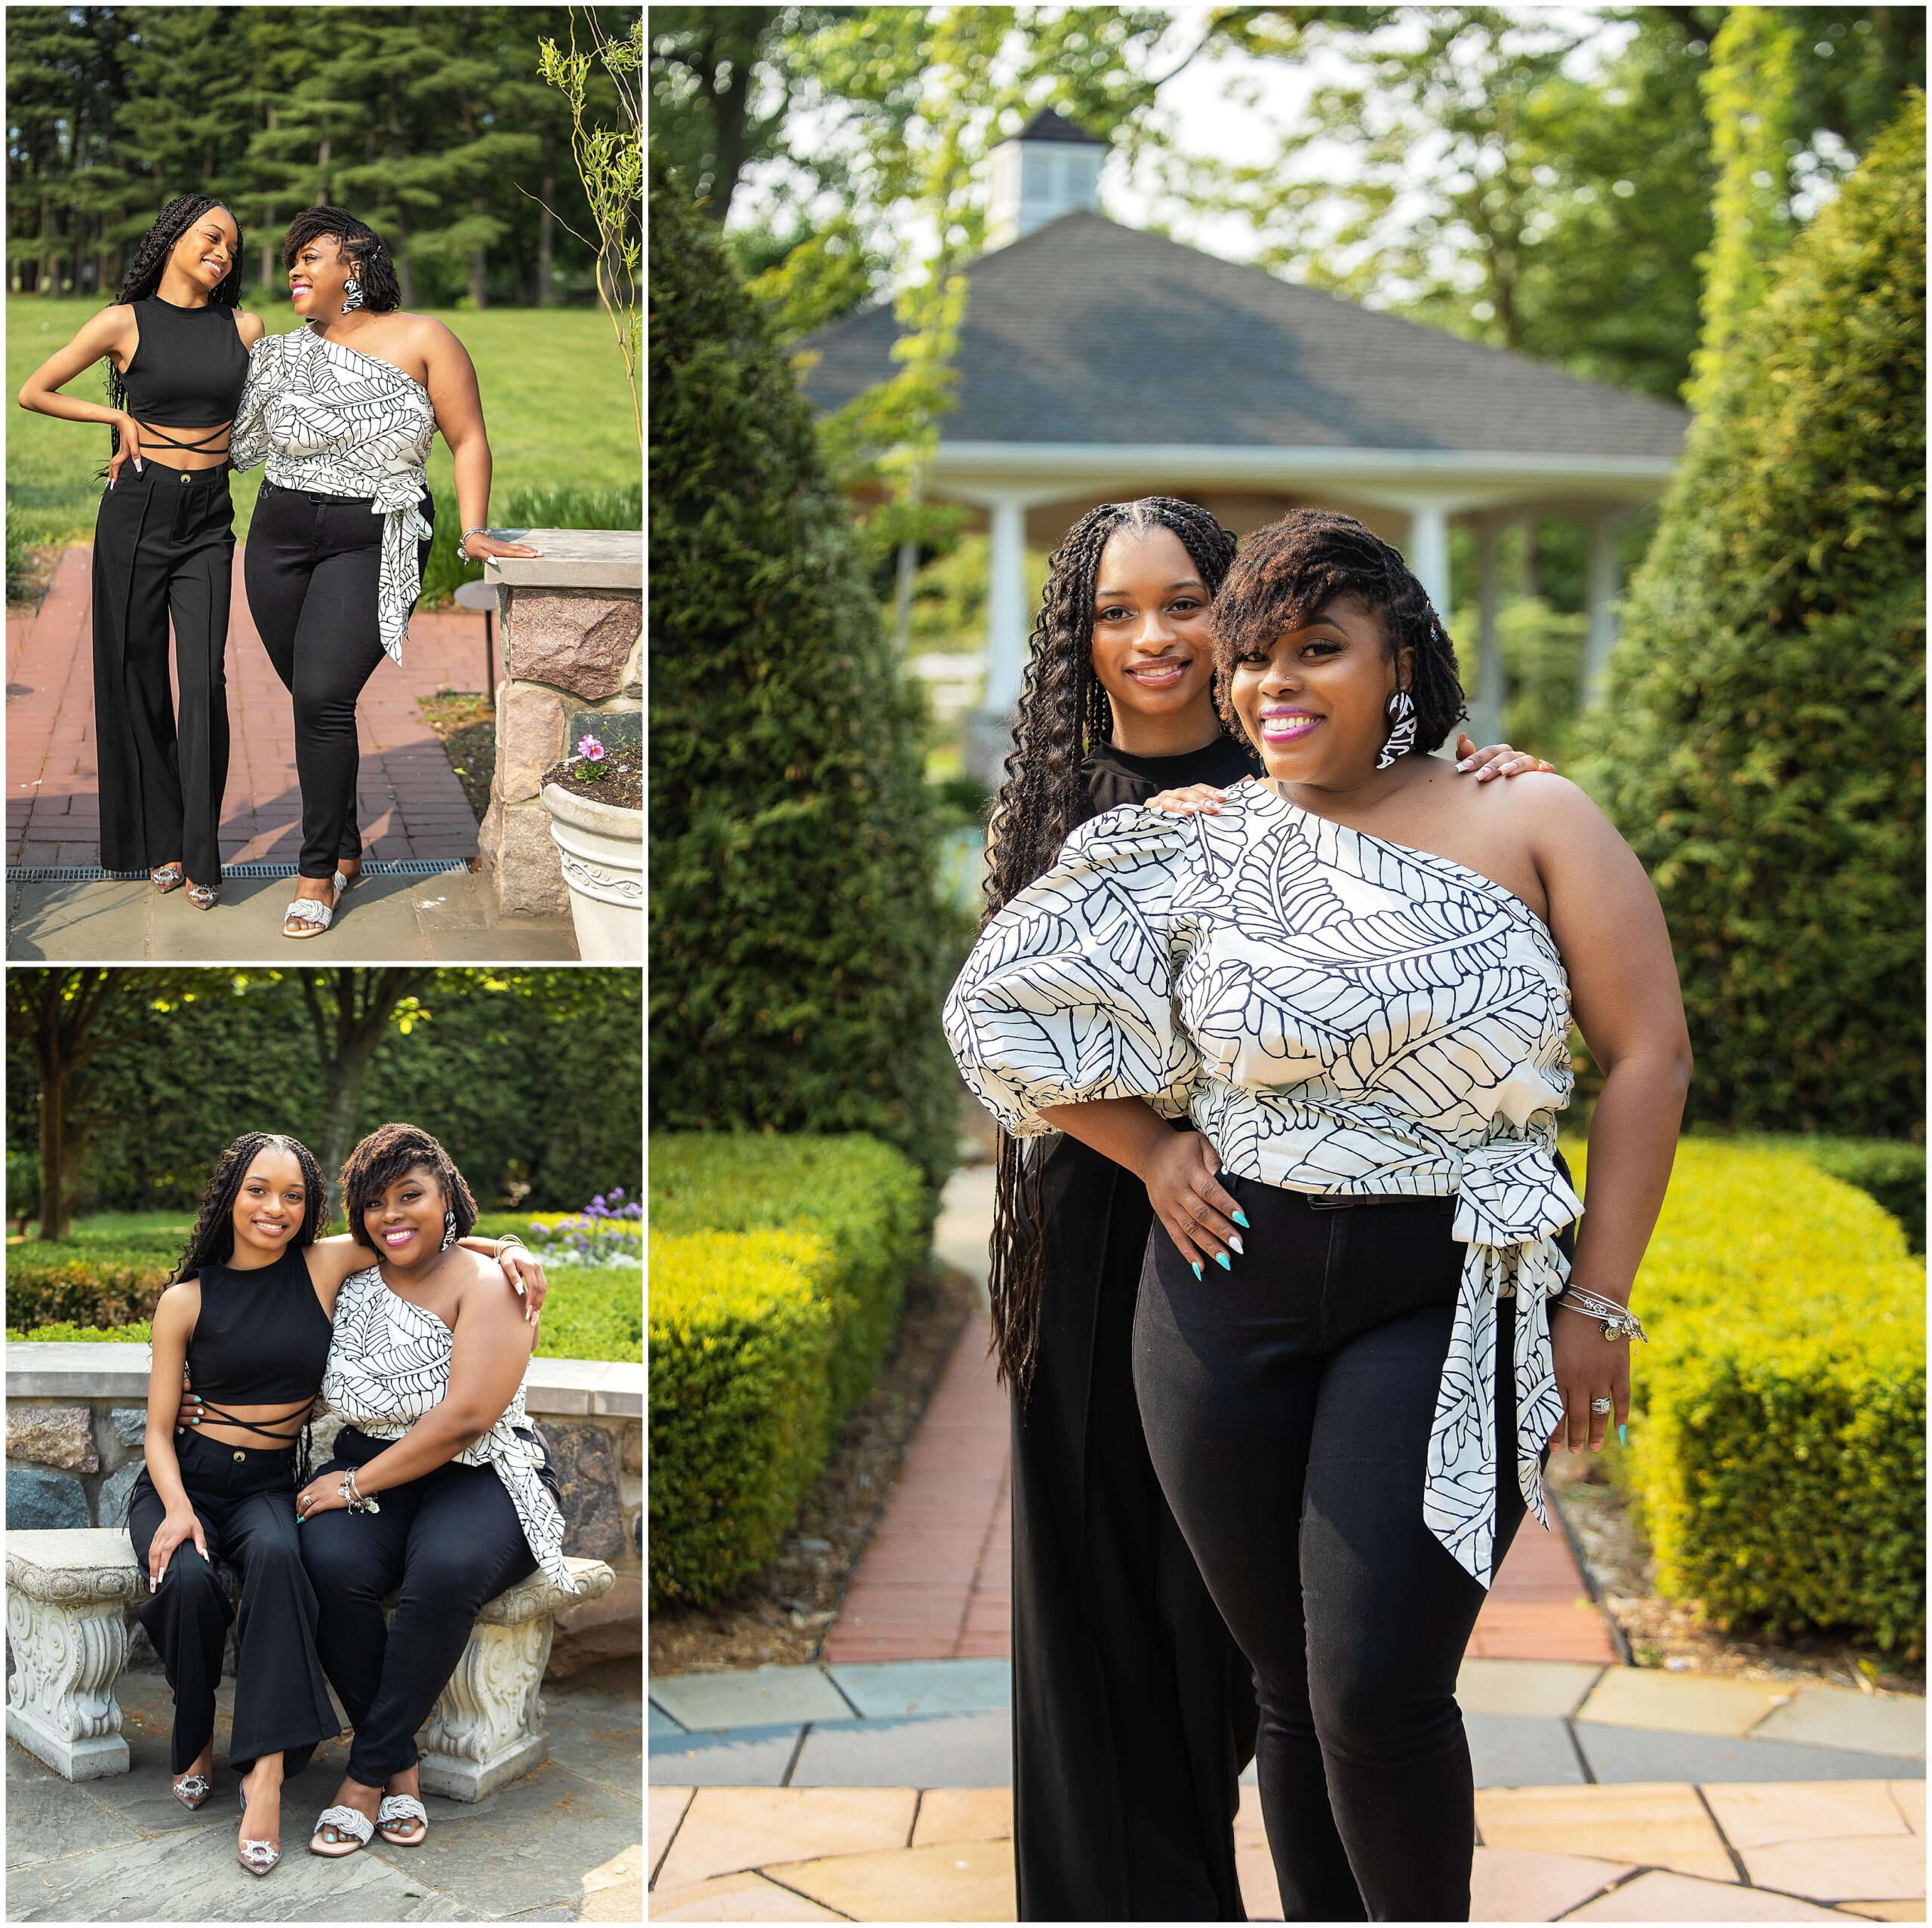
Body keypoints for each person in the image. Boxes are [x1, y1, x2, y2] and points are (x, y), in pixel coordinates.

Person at [946, 506, 1691, 1920]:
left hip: (1446, 1286)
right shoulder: (1203, 839)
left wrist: (1598, 1300)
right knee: (1287, 1691)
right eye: (1255, 661)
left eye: (1317, 651)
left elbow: (1648, 1055)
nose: (1273, 685)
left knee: (1375, 1689)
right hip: (1226, 1292)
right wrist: (1149, 1145)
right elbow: (994, 1017)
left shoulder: (1527, 810)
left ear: (1400, 655)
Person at [134, 1131, 546, 1877]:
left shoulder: (350, 1266)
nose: (276, 1207)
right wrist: (177, 1499)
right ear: (229, 1193)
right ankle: (231, 1736)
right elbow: (158, 1425)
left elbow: (420, 1248)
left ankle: (327, 1774)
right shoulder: (198, 1296)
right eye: (258, 1189)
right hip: (221, 1477)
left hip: (371, 1477)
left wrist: (508, 1245)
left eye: (293, 1194)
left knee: (363, 1568)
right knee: (255, 1570)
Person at [226, 208, 542, 937]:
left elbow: (466, 438)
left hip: (371, 534)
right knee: (311, 696)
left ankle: (316, 874)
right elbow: (227, 433)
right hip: (278, 532)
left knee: (325, 696)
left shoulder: (424, 338)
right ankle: (343, 847)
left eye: (311, 257)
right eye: (292, 260)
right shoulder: (280, 352)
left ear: (356, 266)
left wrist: (473, 526)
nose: (296, 271)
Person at [294, 1124, 577, 1858]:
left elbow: (465, 1419)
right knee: (329, 1564)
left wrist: (351, 1484)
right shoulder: (350, 1276)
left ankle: (363, 1776)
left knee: (445, 1570)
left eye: (411, 1195)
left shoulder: (493, 1285)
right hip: (374, 1462)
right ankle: (402, 1764)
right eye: (375, 1202)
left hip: (477, 1471)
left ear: (447, 1193)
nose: (393, 1214)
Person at [17, 196, 266, 909]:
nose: (222, 253)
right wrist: (115, 413)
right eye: (210, 238)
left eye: (232, 248)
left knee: (204, 678)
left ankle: (199, 848)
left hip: (209, 517)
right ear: (172, 240)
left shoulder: (244, 327)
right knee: (136, 675)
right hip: (137, 511)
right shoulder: (122, 322)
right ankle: (161, 841)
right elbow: (35, 391)